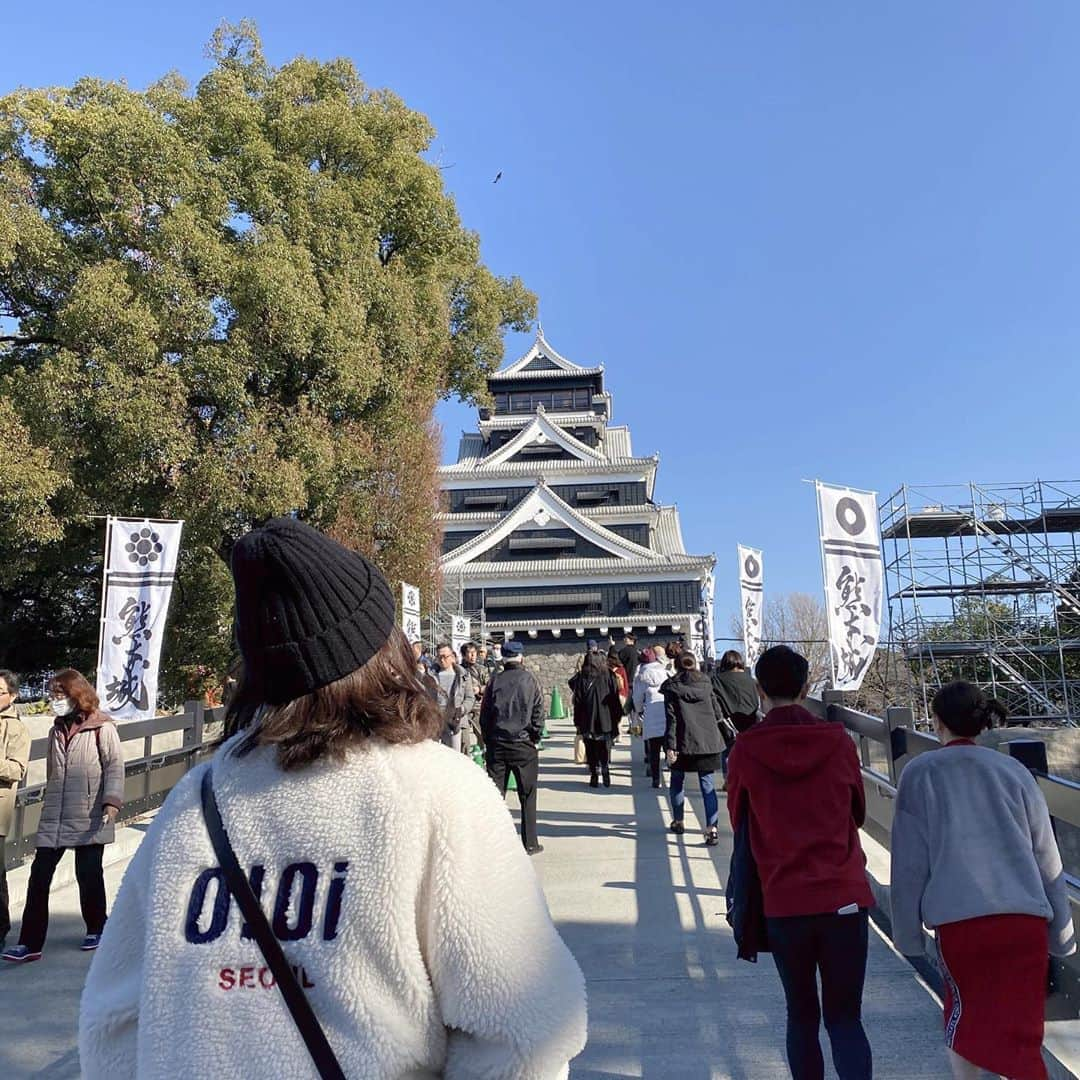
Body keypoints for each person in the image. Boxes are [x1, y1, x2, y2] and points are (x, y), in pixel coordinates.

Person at [78, 517, 586, 1077]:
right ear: (384, 649)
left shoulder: (196, 800)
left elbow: (113, 1021)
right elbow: (523, 1030)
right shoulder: (440, 790)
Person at [890, 681, 1076, 1080]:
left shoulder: (921, 772)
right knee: (1024, 1030)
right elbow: (1047, 856)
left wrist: (906, 935)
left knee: (966, 1019)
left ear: (936, 721)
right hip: (1024, 922)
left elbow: (909, 864)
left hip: (962, 923)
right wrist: (1062, 932)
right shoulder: (1014, 772)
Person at [726, 646, 874, 1080]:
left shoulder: (747, 749)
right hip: (843, 897)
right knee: (846, 1018)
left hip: (784, 901)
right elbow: (858, 810)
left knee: (801, 1016)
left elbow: (740, 821)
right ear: (807, 686)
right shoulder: (838, 742)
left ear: (759, 690)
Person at [4, 669, 124, 963]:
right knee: (39, 876)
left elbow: (114, 766)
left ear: (76, 695)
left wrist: (111, 802)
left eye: (60, 694)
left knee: (89, 874)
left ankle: (97, 927)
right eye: (53, 694)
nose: (55, 700)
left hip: (89, 812)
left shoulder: (101, 728)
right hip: (55, 813)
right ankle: (29, 942)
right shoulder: (55, 729)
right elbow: (51, 773)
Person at [480, 640, 546, 855]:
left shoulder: (494, 681)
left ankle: (494, 841)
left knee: (496, 795)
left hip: (498, 743)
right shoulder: (530, 680)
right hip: (523, 744)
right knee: (527, 794)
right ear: (521, 658)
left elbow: (485, 715)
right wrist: (535, 737)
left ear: (504, 658)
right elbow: (538, 712)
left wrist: (488, 739)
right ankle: (530, 842)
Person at [662, 653, 731, 845]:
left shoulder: (672, 688)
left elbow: (672, 719)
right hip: (707, 741)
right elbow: (717, 713)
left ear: (676, 666)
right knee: (707, 784)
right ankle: (712, 828)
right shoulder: (707, 684)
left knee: (677, 781)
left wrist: (670, 746)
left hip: (683, 742)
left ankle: (678, 820)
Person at [0, 670, 31, 947]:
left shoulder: (16, 727)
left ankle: (0, 928)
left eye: (0, 692)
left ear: (13, 695)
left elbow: (17, 769)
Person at [569, 653, 622, 788]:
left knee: (590, 746)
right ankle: (605, 767)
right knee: (604, 745)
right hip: (606, 717)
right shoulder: (609, 674)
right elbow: (615, 696)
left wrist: (577, 720)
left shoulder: (582, 676)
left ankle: (594, 772)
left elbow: (578, 699)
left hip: (587, 716)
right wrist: (617, 716)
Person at [711, 649, 760, 784]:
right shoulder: (750, 680)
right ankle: (748, 776)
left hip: (727, 720)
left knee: (727, 751)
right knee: (748, 750)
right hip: (749, 718)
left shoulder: (717, 680)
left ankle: (729, 780)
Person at [631, 648, 668, 787]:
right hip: (666, 712)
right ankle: (672, 770)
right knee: (668, 745)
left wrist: (639, 711)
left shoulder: (641, 676)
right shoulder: (664, 672)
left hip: (650, 714)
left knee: (653, 750)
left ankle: (655, 779)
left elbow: (637, 698)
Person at [433, 642, 474, 754]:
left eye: (445, 656)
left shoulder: (463, 675)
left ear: (452, 657)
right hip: (437, 723)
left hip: (458, 721)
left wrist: (462, 709)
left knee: (461, 757)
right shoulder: (431, 676)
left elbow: (470, 698)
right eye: (439, 657)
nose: (442, 660)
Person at [459, 642, 487, 755]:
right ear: (464, 655)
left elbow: (489, 685)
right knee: (464, 740)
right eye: (469, 653)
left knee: (483, 736)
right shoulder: (458, 670)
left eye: (474, 653)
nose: (473, 656)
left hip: (478, 707)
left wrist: (479, 689)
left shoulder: (481, 669)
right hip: (463, 709)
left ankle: (486, 759)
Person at [606, 647, 630, 722]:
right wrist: (626, 694)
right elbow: (625, 683)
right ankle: (619, 731)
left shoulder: (606, 669)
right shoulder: (621, 669)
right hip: (621, 694)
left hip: (609, 695)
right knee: (619, 718)